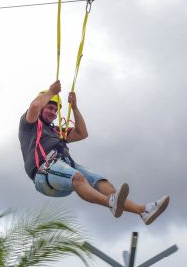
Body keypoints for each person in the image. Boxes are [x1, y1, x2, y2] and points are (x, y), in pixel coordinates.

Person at [19, 80, 169, 224]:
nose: (52, 112)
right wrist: (51, 92)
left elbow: (82, 133)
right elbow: (34, 107)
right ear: (42, 106)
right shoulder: (30, 124)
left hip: (63, 167)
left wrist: (75, 108)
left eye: (55, 109)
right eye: (49, 108)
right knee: (78, 178)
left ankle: (143, 211)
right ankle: (110, 203)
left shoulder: (56, 130)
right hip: (43, 173)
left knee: (100, 181)